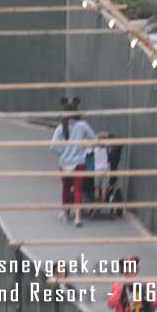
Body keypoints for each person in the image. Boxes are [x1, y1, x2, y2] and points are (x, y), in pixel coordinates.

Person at [49, 97, 96, 227]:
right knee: (78, 190)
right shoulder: (83, 126)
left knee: (65, 189)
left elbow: (52, 145)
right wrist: (85, 147)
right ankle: (77, 217)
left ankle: (65, 214)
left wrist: (62, 153)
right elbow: (94, 139)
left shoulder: (60, 127)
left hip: (64, 163)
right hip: (79, 163)